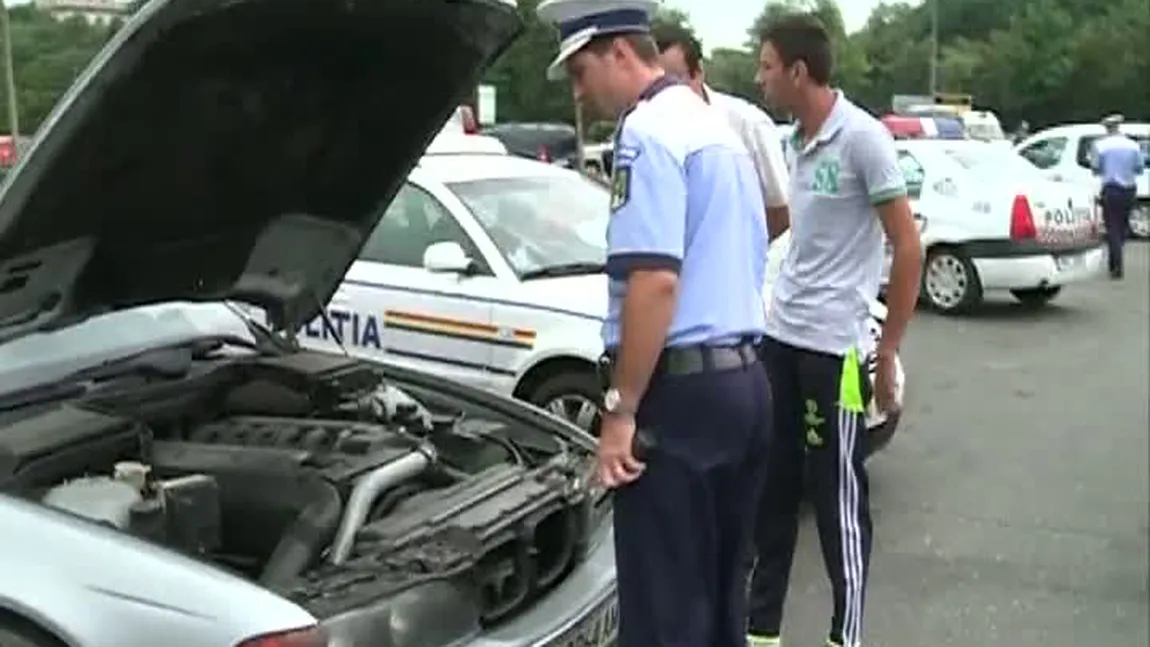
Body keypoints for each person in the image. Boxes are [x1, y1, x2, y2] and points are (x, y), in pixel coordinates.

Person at [535, 2, 773, 646]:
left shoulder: (646, 132)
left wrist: (620, 411)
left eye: (582, 72)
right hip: (746, 385)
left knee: (666, 612)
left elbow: (655, 281)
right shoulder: (714, 128)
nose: (580, 93)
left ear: (619, 52)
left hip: (682, 399)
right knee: (723, 603)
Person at [744, 14, 922, 647]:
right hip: (781, 341)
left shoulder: (864, 139)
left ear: (798, 71)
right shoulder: (793, 141)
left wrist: (889, 352)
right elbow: (794, 234)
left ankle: (844, 636)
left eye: (766, 66)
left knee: (838, 495)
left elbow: (907, 246)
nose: (759, 77)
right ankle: (761, 630)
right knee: (774, 491)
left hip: (836, 354)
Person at [653, 22, 791, 241]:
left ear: (698, 73)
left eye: (674, 81)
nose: (664, 92)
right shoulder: (647, 133)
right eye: (656, 83)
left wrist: (738, 250)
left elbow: (781, 210)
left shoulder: (748, 125)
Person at [1092, 114, 1144, 279]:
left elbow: (1095, 169)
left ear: (1106, 128)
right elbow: (1139, 168)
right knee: (1122, 225)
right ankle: (1116, 257)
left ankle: (1116, 265)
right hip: (1129, 189)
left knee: (1112, 226)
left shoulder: (1100, 146)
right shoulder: (1133, 146)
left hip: (1111, 188)